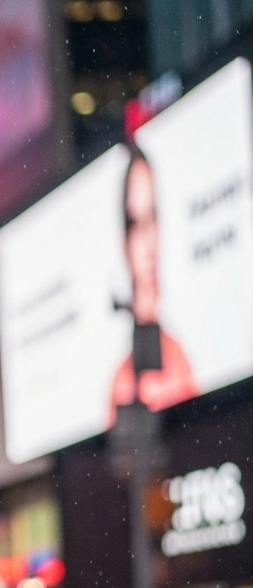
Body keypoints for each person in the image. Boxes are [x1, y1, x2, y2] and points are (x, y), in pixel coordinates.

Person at [108, 144, 200, 422]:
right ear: (124, 242)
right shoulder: (122, 380)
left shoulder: (179, 355)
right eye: (136, 223)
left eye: (153, 217)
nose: (148, 242)